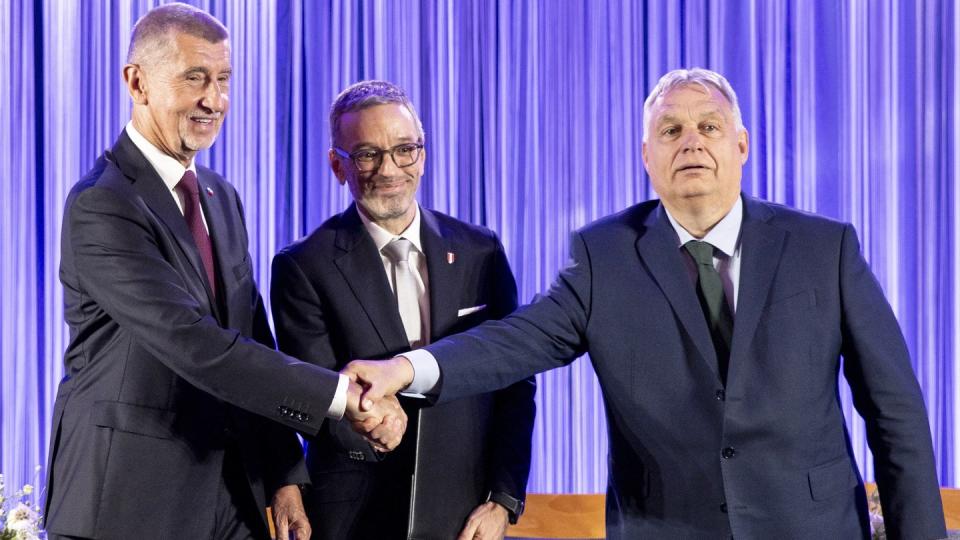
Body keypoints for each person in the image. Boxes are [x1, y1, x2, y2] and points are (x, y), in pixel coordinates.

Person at [344, 68, 947, 538]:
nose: (691, 142)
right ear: (646, 157)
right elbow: (515, 340)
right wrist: (405, 369)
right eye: (670, 130)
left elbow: (896, 416)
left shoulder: (824, 248)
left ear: (741, 145)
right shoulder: (604, 256)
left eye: (709, 127)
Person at [47, 4, 404, 539]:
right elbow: (195, 343)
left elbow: (250, 337)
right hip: (127, 503)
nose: (214, 100)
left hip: (231, 497)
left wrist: (284, 478)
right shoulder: (103, 204)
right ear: (137, 83)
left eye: (223, 79)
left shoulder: (219, 196)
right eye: (195, 79)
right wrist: (340, 397)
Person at [270, 80, 536, 540]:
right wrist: (374, 424)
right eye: (368, 154)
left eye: (404, 149)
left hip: (467, 515)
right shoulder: (302, 265)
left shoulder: (481, 250)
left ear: (423, 154)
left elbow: (515, 381)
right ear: (338, 165)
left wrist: (502, 499)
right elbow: (313, 396)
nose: (390, 169)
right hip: (354, 515)